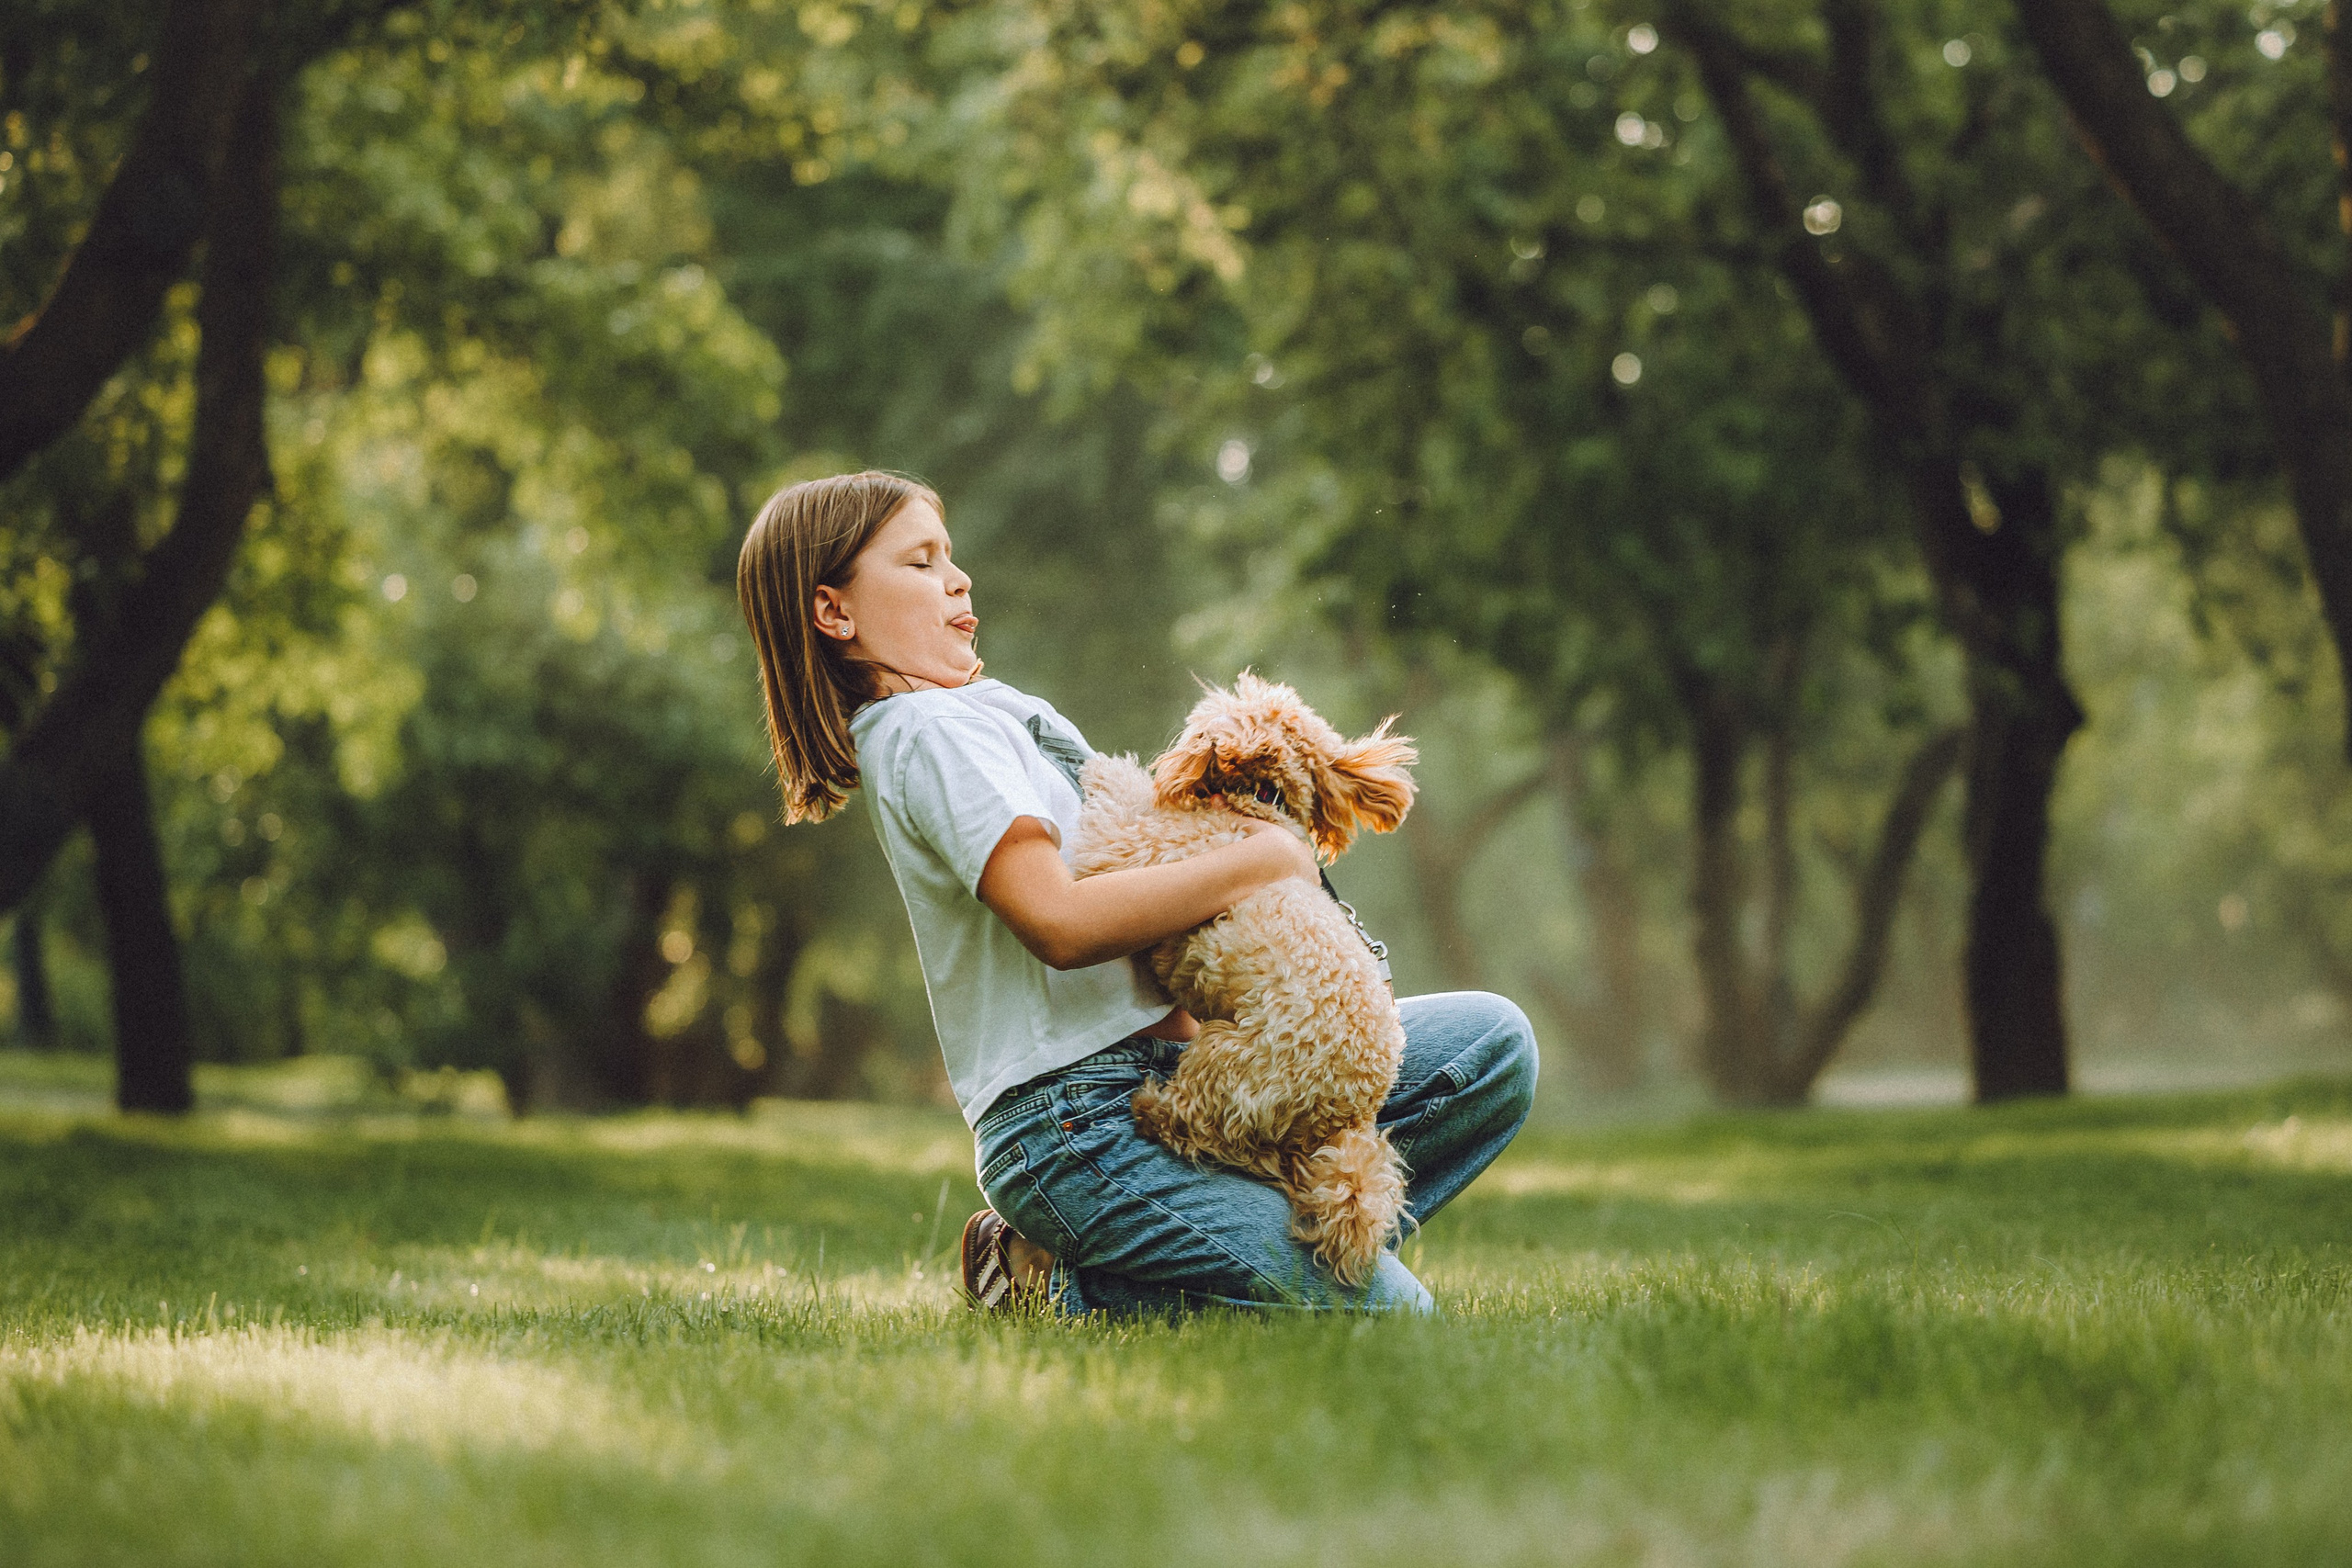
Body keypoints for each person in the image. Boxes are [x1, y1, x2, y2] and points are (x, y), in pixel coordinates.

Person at [735, 469, 1537, 1314]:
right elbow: (1060, 923)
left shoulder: (996, 714)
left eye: (952, 558)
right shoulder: (927, 734)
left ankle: (1205, 1254)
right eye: (922, 563)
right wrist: (1267, 859)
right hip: (1073, 1127)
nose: (958, 579)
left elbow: (1147, 917)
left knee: (1490, 1045)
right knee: (1390, 1317)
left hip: (1180, 1073)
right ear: (835, 612)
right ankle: (1073, 1287)